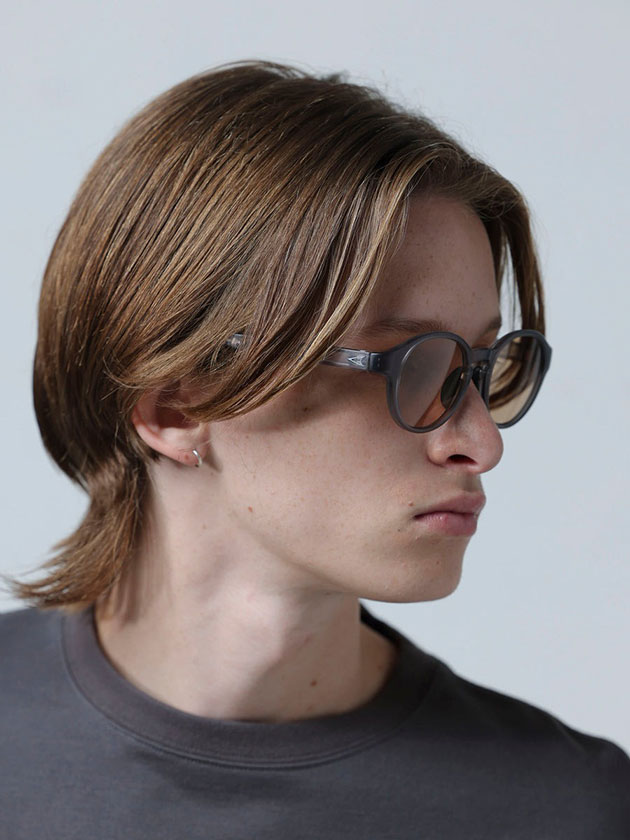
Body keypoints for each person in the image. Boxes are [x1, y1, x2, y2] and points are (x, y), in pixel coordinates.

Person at [1, 60, 628, 838]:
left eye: (477, 369)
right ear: (175, 407)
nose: (482, 443)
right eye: (413, 366)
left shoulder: (572, 809)